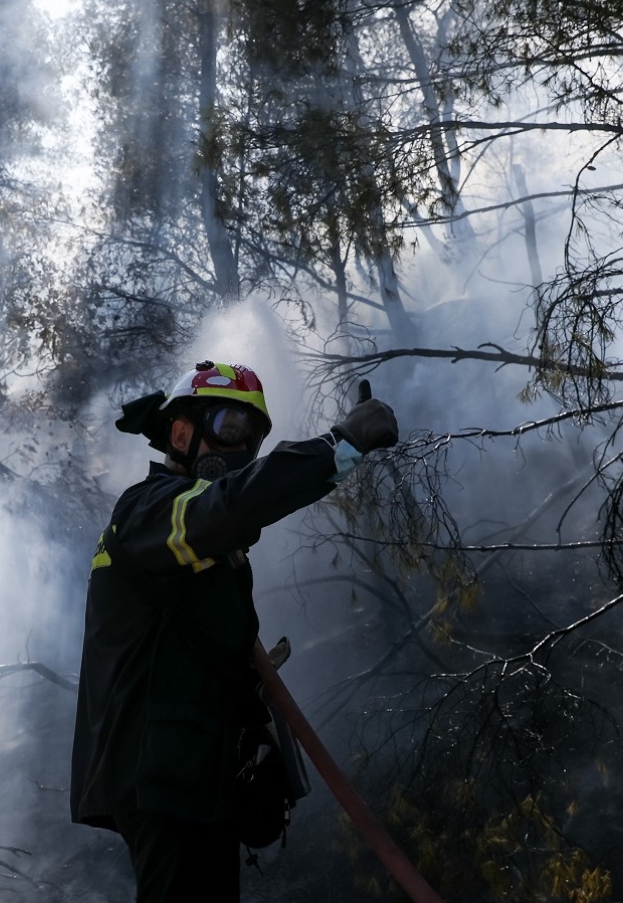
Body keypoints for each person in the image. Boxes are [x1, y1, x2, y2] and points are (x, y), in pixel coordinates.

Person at [70, 359, 399, 902]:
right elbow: (230, 503)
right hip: (161, 772)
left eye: (252, 438)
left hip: (194, 779)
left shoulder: (207, 554)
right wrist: (340, 446)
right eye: (227, 427)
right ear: (180, 433)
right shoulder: (148, 510)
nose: (240, 449)